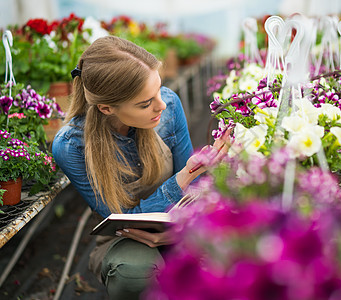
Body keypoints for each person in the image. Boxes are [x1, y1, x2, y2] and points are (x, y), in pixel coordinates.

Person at [52, 35, 229, 300]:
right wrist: (183, 176)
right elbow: (121, 218)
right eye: (145, 103)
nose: (161, 104)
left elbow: (193, 192)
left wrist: (178, 231)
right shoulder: (72, 146)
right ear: (107, 108)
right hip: (125, 237)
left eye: (158, 89)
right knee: (134, 272)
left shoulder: (168, 108)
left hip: (180, 219)